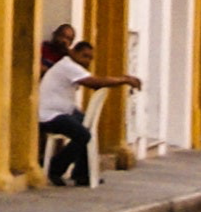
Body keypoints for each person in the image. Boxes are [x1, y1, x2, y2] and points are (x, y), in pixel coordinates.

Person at [36, 37, 142, 187]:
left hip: (64, 111)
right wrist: (124, 80)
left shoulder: (72, 66)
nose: (87, 61)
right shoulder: (68, 66)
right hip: (49, 115)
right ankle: (55, 168)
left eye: (90, 58)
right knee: (83, 135)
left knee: (87, 126)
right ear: (73, 52)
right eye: (84, 56)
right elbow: (95, 83)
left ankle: (83, 174)